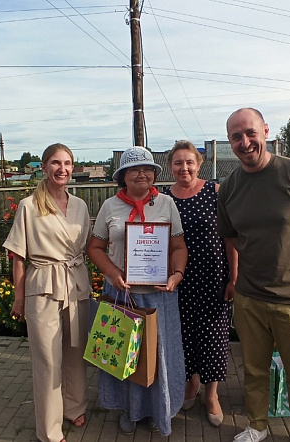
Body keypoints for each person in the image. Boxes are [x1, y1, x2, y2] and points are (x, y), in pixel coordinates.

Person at [217, 108, 290, 442]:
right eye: (236, 137)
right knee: (253, 371)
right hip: (250, 297)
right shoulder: (229, 188)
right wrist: (235, 278)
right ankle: (256, 425)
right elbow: (231, 238)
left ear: (265, 131)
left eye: (250, 133)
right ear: (230, 142)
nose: (245, 142)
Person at [86, 146, 188, 436]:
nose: (142, 173)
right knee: (124, 354)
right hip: (122, 293)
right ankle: (129, 410)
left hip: (159, 294)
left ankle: (159, 409)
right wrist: (113, 273)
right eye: (134, 169)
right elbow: (95, 247)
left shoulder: (167, 204)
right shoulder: (110, 206)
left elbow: (179, 246)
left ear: (154, 174)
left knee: (158, 355)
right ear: (123, 176)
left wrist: (177, 274)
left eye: (147, 169)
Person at [3, 143, 91, 442]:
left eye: (67, 163)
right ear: (44, 166)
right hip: (42, 286)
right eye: (56, 163)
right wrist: (19, 297)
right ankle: (50, 430)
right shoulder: (30, 205)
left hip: (75, 282)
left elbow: (91, 246)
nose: (62, 169)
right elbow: (18, 255)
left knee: (75, 351)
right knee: (47, 359)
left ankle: (74, 406)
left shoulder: (80, 205)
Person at [162, 140, 234, 427]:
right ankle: (191, 384)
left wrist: (234, 277)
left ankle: (212, 394)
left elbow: (231, 238)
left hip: (213, 275)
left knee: (214, 336)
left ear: (199, 164)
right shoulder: (164, 198)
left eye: (189, 161)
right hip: (179, 277)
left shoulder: (214, 192)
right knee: (185, 335)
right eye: (178, 162)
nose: (184, 167)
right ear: (171, 166)